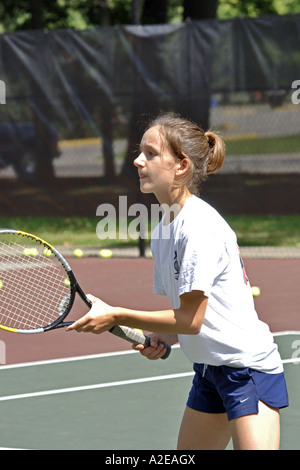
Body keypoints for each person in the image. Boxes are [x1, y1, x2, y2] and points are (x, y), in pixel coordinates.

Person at [67, 113, 288, 450]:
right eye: (140, 152)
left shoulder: (198, 228)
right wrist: (161, 338)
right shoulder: (164, 230)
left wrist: (117, 316)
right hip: (209, 372)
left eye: (151, 154)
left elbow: (190, 319)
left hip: (247, 371)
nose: (139, 160)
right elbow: (183, 322)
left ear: (181, 166)